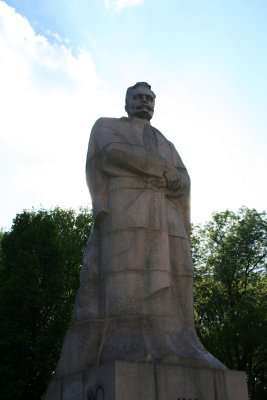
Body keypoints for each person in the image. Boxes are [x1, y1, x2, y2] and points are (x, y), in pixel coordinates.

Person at [56, 82, 225, 377]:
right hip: (127, 208)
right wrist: (159, 168)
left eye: (149, 98)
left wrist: (174, 180)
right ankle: (126, 339)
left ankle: (181, 340)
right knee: (127, 271)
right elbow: (111, 155)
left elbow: (184, 178)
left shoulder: (166, 142)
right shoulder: (107, 126)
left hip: (167, 212)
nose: (144, 101)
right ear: (127, 103)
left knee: (179, 271)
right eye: (138, 97)